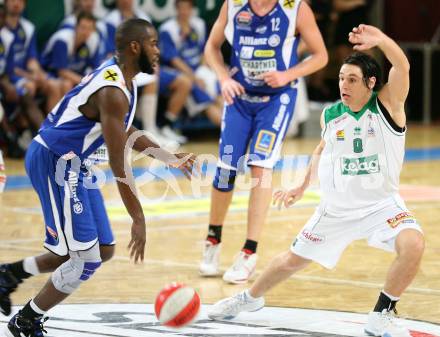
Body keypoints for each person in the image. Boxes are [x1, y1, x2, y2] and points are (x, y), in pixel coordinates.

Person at [208, 24, 425, 337]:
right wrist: (300, 186)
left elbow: (402, 66)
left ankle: (382, 312)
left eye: (352, 79)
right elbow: (322, 149)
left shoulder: (388, 106)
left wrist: (382, 41)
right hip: (336, 210)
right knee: (290, 261)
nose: (343, 85)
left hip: (381, 205)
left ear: (371, 82)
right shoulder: (331, 114)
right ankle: (248, 299)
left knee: (414, 244)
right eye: (341, 78)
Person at [0, 18, 197, 337]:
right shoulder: (113, 91)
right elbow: (120, 164)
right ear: (136, 47)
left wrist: (167, 156)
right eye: (154, 44)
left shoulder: (125, 79)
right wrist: (138, 217)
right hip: (56, 161)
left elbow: (125, 129)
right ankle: (26, 321)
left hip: (77, 165)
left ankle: (9, 275)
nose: (158, 51)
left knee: (101, 250)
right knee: (82, 259)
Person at [199, 0, 328, 284]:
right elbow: (211, 47)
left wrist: (288, 74)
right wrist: (222, 78)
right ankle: (212, 239)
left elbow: (321, 56)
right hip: (239, 97)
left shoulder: (295, 8)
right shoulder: (232, 6)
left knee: (260, 166)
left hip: (276, 99)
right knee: (225, 169)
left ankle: (249, 252)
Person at [159, 0, 223, 128]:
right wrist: (194, 78)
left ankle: (241, 132)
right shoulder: (167, 29)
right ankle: (231, 132)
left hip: (200, 69)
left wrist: (205, 67)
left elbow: (206, 49)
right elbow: (174, 60)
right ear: (176, 9)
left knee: (219, 94)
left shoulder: (198, 24)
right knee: (208, 102)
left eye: (187, 8)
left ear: (192, 9)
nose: (184, 11)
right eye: (181, 8)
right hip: (180, 73)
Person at [41, 12, 104, 94]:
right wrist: (85, 82)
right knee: (66, 84)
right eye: (83, 28)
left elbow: (95, 67)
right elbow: (62, 72)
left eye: (90, 29)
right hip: (48, 72)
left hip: (75, 75)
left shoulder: (94, 40)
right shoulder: (62, 40)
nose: (85, 32)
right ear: (76, 27)